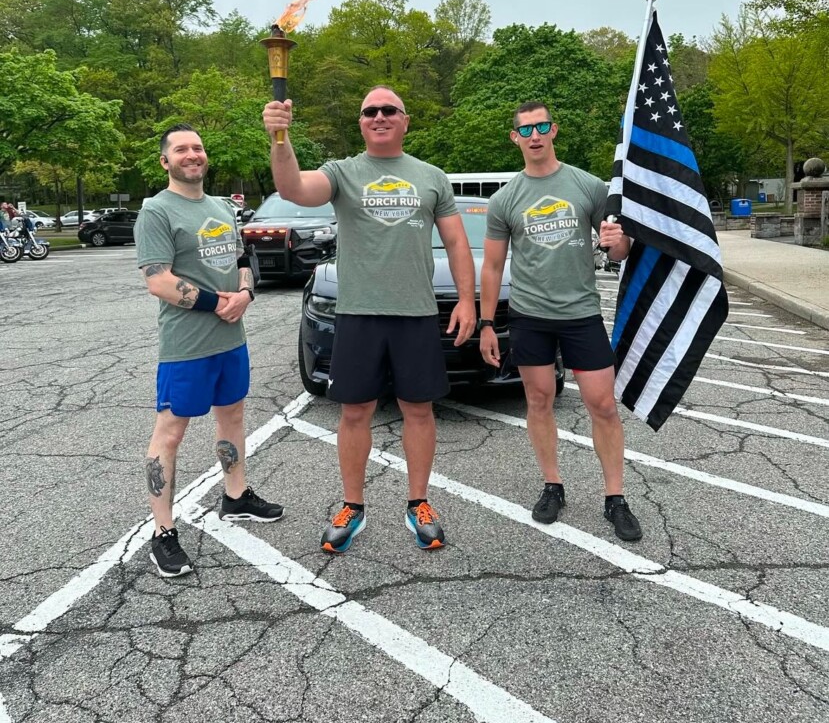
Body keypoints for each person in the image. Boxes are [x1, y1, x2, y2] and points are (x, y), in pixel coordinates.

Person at [263, 87, 476, 553]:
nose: (378, 116)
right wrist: (280, 137)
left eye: (388, 110)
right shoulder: (343, 172)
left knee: (418, 409)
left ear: (405, 120)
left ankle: (418, 502)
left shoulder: (431, 176)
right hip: (358, 312)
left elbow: (458, 244)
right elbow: (293, 188)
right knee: (354, 411)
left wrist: (467, 301)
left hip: (416, 313)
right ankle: (352, 506)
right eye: (369, 111)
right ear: (361, 122)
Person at [479, 101, 642, 542]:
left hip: (581, 314)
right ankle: (553, 486)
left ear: (554, 130)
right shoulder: (505, 199)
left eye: (542, 126)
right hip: (530, 316)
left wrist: (618, 241)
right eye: (526, 129)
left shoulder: (587, 186)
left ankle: (615, 498)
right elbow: (492, 267)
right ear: (514, 137)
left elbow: (619, 251)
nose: (535, 135)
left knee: (602, 405)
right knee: (539, 400)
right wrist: (487, 323)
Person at [135, 123, 284, 577]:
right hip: (186, 346)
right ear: (166, 161)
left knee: (233, 415)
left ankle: (236, 496)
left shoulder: (221, 206)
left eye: (198, 147)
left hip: (230, 341)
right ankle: (162, 531)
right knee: (171, 432)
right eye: (181, 149)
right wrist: (215, 303)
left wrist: (245, 294)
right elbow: (157, 279)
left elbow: (242, 260)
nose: (192, 154)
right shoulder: (156, 212)